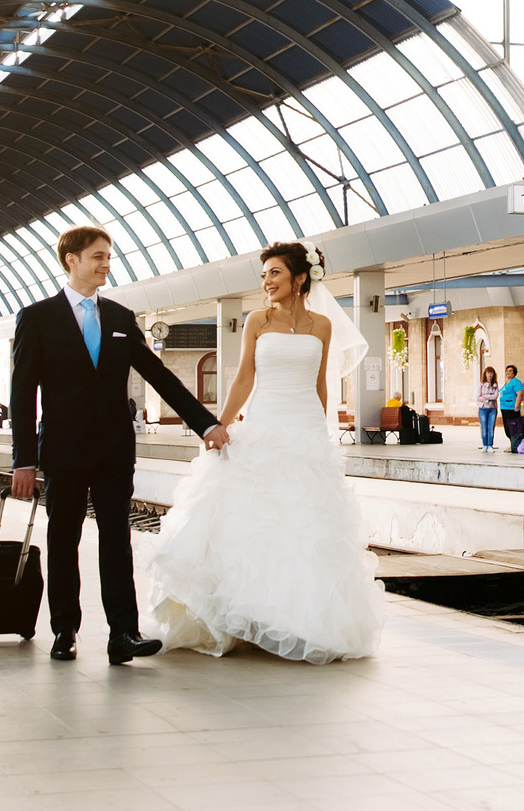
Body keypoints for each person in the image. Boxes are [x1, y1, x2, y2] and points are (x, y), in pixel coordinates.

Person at [144, 242, 384, 663]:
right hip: (264, 423)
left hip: (305, 428)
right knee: (256, 521)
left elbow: (321, 383)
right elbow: (242, 380)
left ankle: (298, 621)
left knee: (305, 527)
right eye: (264, 275)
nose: (267, 282)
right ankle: (247, 617)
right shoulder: (257, 320)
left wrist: (320, 431)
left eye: (274, 273)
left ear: (300, 278)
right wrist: (217, 424)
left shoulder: (323, 325)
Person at [8, 225, 217, 666]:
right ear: (72, 261)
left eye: (108, 256)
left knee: (116, 542)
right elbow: (22, 395)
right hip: (62, 452)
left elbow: (161, 377)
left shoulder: (121, 319)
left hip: (114, 451)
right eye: (98, 257)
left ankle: (124, 632)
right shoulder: (37, 317)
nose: (106, 264)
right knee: (62, 541)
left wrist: (205, 424)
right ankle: (64, 630)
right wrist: (23, 461)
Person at [499, 366, 524, 454]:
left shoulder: (516, 382)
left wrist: (516, 406)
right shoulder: (506, 383)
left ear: (514, 373)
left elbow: (520, 394)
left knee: (513, 427)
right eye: (507, 370)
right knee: (507, 427)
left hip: (512, 408)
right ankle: (512, 444)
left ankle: (515, 445)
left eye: (510, 371)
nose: (508, 372)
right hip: (504, 408)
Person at [478, 366, 501, 453]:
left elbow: (496, 396)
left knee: (491, 427)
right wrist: (487, 399)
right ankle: (484, 445)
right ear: (485, 374)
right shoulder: (481, 384)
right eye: (488, 373)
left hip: (493, 409)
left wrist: (485, 396)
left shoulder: (495, 385)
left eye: (491, 373)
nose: (489, 375)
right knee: (484, 427)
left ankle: (490, 445)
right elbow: (478, 396)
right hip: (483, 408)